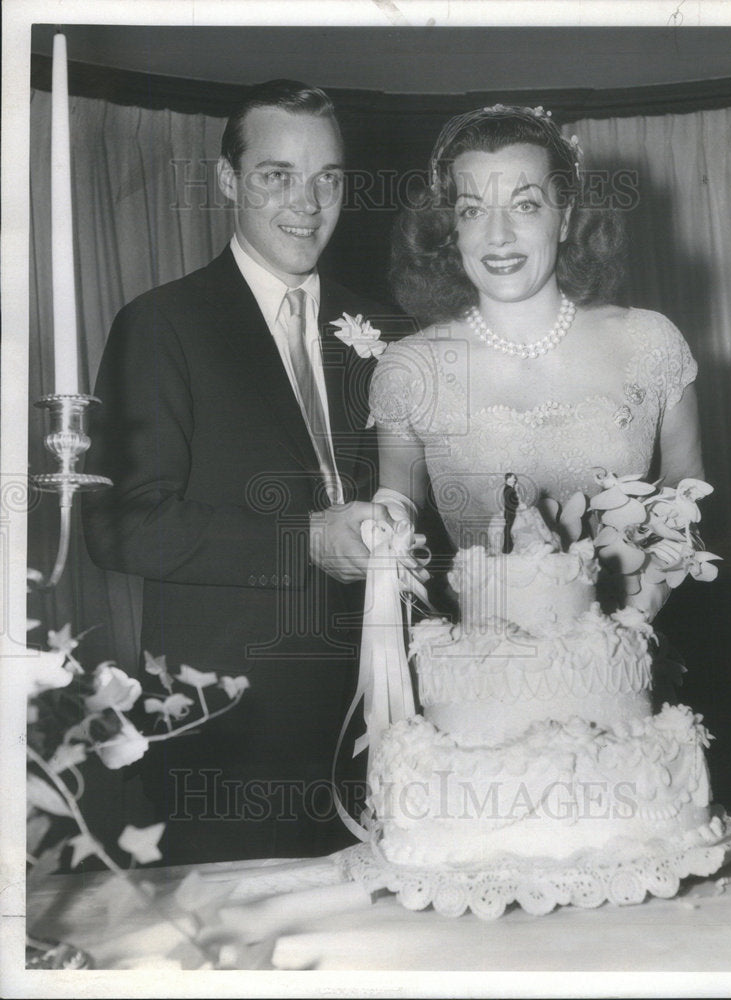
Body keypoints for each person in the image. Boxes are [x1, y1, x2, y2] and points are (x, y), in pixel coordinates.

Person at [82, 80, 406, 865]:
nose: (307, 201)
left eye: (328, 177)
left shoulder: (388, 329)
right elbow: (119, 524)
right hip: (226, 738)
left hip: (384, 727)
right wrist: (305, 542)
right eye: (276, 175)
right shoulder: (163, 324)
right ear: (228, 181)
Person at [369, 103, 704, 623]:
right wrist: (377, 534)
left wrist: (643, 603)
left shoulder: (649, 341)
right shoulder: (411, 369)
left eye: (525, 205)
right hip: (481, 667)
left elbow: (685, 490)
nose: (497, 235)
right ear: (451, 228)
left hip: (628, 654)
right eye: (473, 210)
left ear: (566, 217)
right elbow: (396, 508)